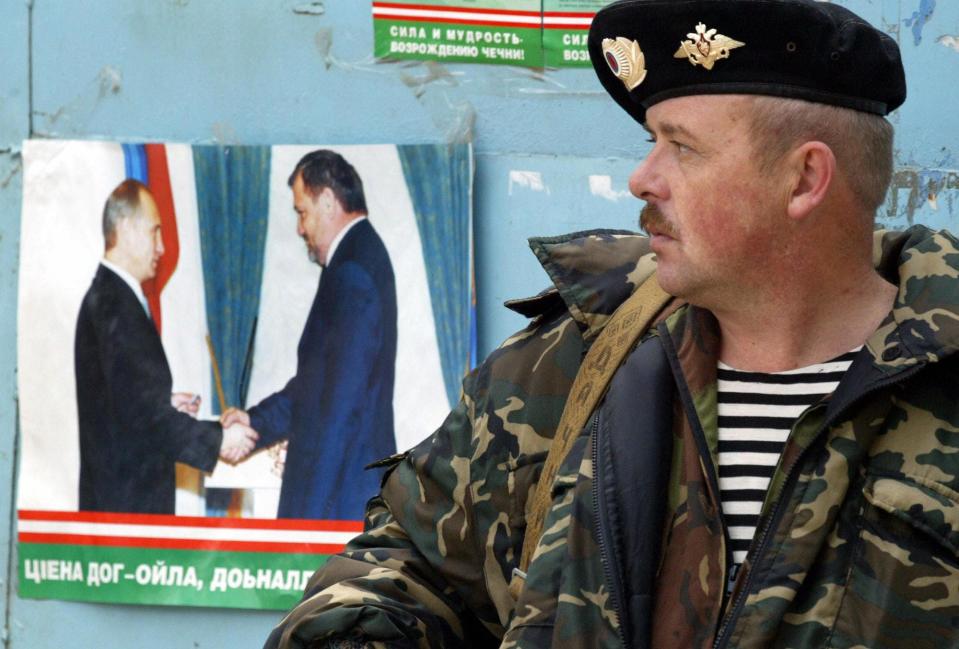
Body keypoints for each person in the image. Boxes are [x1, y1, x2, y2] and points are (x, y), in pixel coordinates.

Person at [264, 1, 959, 647]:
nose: (641, 178)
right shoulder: (570, 359)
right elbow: (405, 564)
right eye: (652, 141)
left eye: (681, 148)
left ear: (804, 179)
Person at [221, 150, 398, 520]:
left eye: (302, 212)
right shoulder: (357, 258)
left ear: (329, 202)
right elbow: (314, 387)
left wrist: (307, 527)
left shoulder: (352, 272)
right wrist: (253, 422)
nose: (300, 228)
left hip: (339, 503)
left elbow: (340, 412)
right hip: (344, 495)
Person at [76, 179, 258, 514]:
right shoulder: (116, 304)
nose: (161, 247)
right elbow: (147, 420)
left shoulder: (111, 296)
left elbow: (122, 400)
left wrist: (164, 401)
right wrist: (219, 439)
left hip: (119, 503)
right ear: (127, 228)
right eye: (155, 232)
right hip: (127, 512)